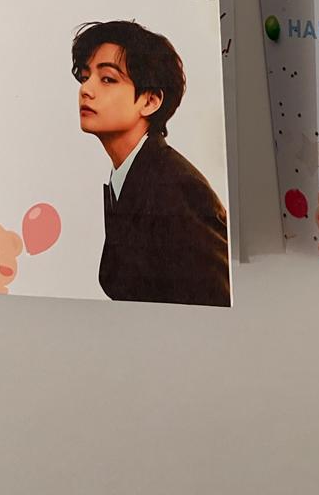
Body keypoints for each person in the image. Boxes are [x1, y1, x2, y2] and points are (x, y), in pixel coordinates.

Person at [71, 20, 230, 306]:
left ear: (150, 101)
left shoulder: (179, 189)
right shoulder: (134, 175)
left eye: (107, 79)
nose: (86, 89)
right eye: (85, 77)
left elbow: (215, 302)